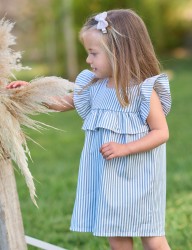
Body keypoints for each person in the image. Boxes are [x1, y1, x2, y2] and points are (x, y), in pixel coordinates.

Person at [8, 9, 172, 250]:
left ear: (119, 53)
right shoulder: (93, 86)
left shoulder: (143, 92)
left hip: (139, 179)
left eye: (93, 54)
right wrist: (30, 92)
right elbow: (64, 103)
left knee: (151, 236)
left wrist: (126, 148)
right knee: (116, 235)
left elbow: (161, 133)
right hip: (108, 179)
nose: (88, 60)